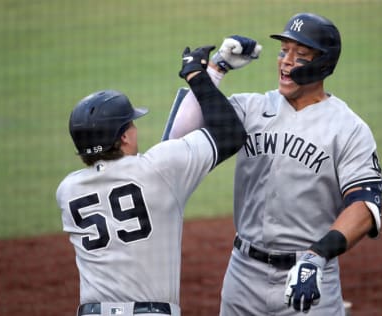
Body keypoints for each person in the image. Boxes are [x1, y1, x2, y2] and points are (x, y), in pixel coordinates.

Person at [167, 13, 382, 316]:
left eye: (300, 55)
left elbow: (364, 207)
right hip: (242, 276)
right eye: (284, 52)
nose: (285, 61)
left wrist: (316, 256)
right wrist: (216, 69)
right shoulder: (251, 108)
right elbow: (176, 142)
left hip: (310, 277)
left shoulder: (348, 128)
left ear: (322, 63)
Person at [56, 45, 246, 316]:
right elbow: (230, 133)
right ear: (123, 137)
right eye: (132, 124)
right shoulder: (160, 169)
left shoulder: (67, 190)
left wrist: (214, 70)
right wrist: (198, 75)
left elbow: (154, 163)